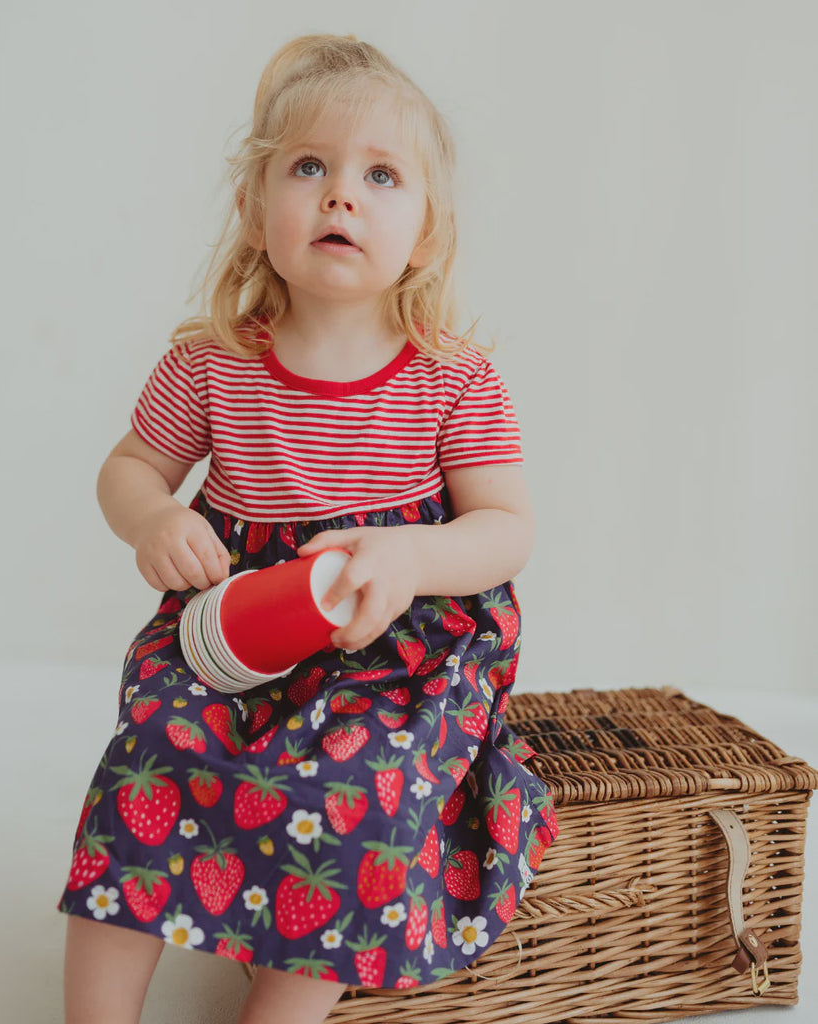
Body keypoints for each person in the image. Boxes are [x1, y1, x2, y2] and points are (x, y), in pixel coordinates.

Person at [59, 32, 559, 1024]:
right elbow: (127, 469)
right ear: (254, 209)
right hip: (235, 628)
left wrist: (411, 553)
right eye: (309, 167)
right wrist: (152, 515)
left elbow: (507, 527)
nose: (342, 195)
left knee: (354, 794)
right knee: (149, 756)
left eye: (381, 175)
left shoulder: (453, 378)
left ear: (424, 233)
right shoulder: (212, 364)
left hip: (395, 644)